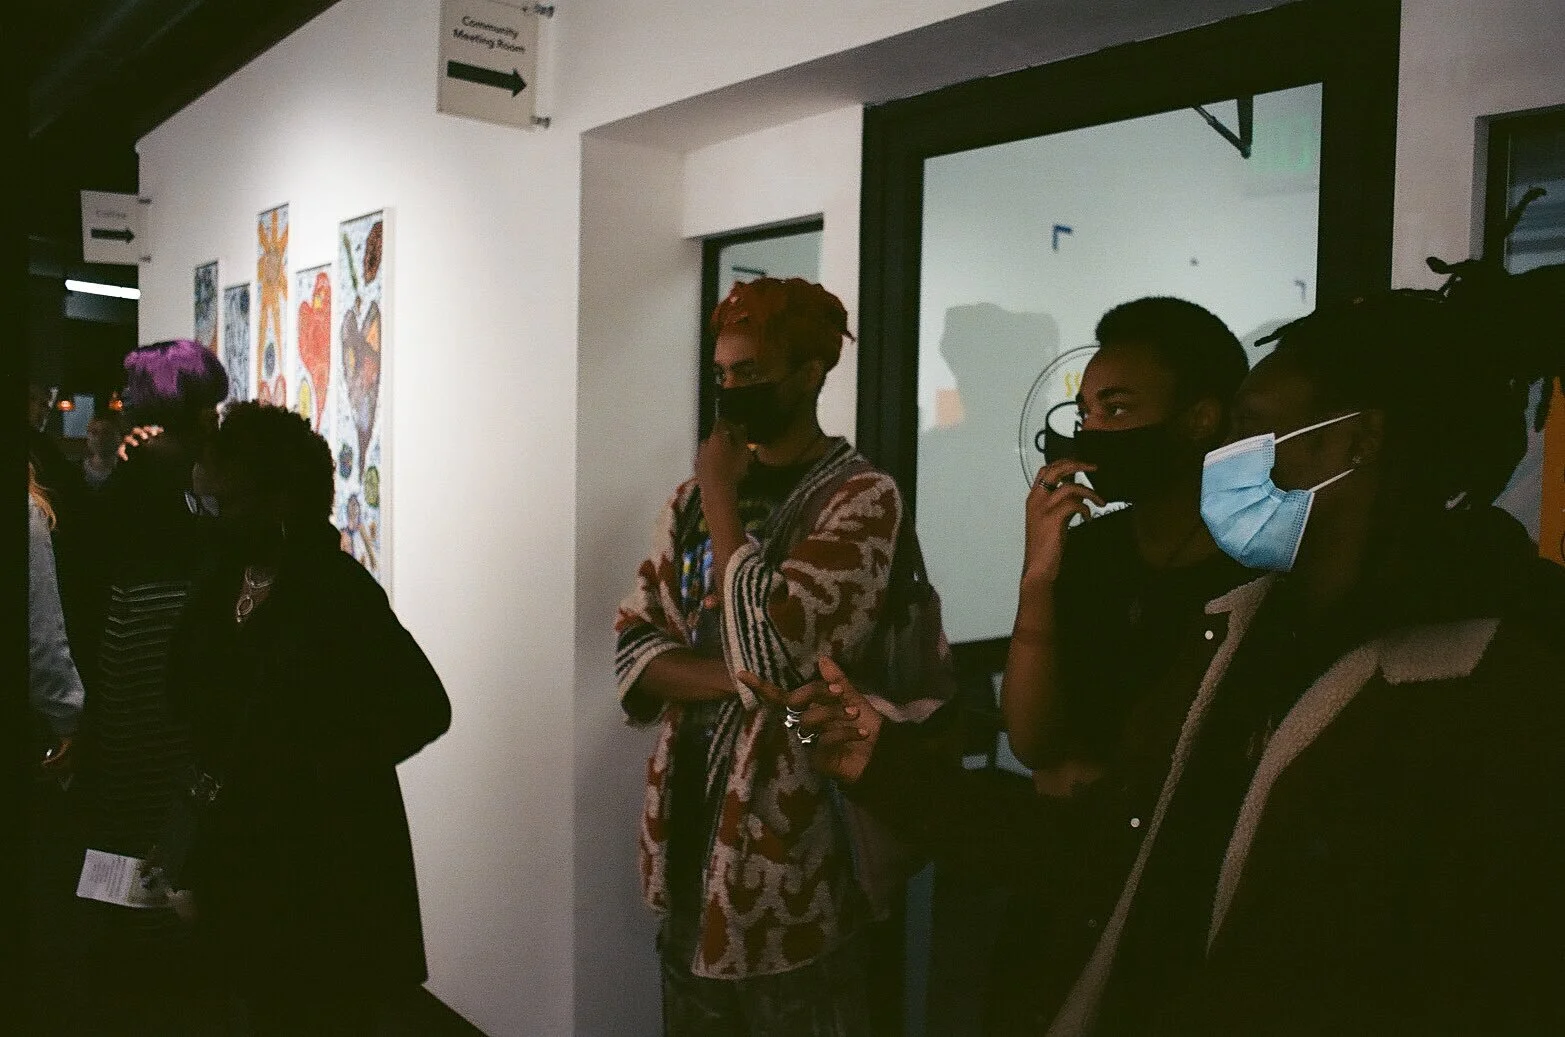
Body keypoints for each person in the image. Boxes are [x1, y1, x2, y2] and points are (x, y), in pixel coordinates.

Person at [779, 280, 1565, 1034]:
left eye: (1252, 430)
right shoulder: (1243, 633)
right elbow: (1111, 847)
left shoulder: (1504, 677)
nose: (1226, 453)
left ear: (1359, 440)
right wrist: (884, 764)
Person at [615, 277, 933, 1036]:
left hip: (796, 864)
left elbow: (780, 648)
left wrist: (724, 498)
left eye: (750, 374)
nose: (730, 393)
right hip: (692, 844)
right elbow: (635, 649)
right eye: (722, 375)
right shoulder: (686, 502)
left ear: (810, 371)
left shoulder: (859, 498)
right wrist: (751, 682)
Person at [163, 402, 450, 1033]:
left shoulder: (338, 593)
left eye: (224, 504)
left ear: (279, 503)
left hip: (323, 865)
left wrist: (312, 768)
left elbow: (426, 707)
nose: (210, 518)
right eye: (201, 503)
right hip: (243, 851)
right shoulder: (224, 576)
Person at [1004, 297, 1253, 797]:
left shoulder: (1254, 555)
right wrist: (1037, 578)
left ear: (1200, 418)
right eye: (1086, 413)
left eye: (1115, 409)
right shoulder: (1089, 551)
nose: (1093, 430)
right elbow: (1033, 744)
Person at [81, 414, 121, 490]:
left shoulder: (128, 471)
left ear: (118, 437)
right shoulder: (77, 471)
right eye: (94, 432)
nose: (100, 438)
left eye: (106, 433)